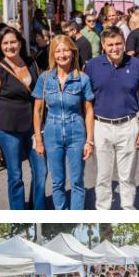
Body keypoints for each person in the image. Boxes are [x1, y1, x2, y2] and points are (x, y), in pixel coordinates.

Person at [85, 26, 139, 210]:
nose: (115, 48)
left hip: (128, 125)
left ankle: (128, 211)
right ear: (103, 46)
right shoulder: (92, 66)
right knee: (103, 177)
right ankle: (103, 212)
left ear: (124, 43)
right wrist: (88, 135)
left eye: (118, 43)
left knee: (126, 177)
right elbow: (86, 102)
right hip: (101, 126)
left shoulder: (137, 65)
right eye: (110, 44)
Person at [0, 26, 47, 210]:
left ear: (20, 43)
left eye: (13, 42)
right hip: (8, 130)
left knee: (41, 171)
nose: (10, 46)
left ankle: (38, 210)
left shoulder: (31, 63)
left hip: (32, 128)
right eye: (5, 43)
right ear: (0, 46)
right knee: (15, 175)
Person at [32, 35, 95, 210]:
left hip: (76, 131)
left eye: (66, 50)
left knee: (76, 181)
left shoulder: (83, 79)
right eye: (58, 50)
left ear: (73, 52)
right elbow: (37, 111)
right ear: (53, 54)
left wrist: (90, 140)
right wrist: (38, 139)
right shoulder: (44, 79)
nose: (62, 54)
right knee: (57, 181)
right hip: (52, 133)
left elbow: (89, 111)